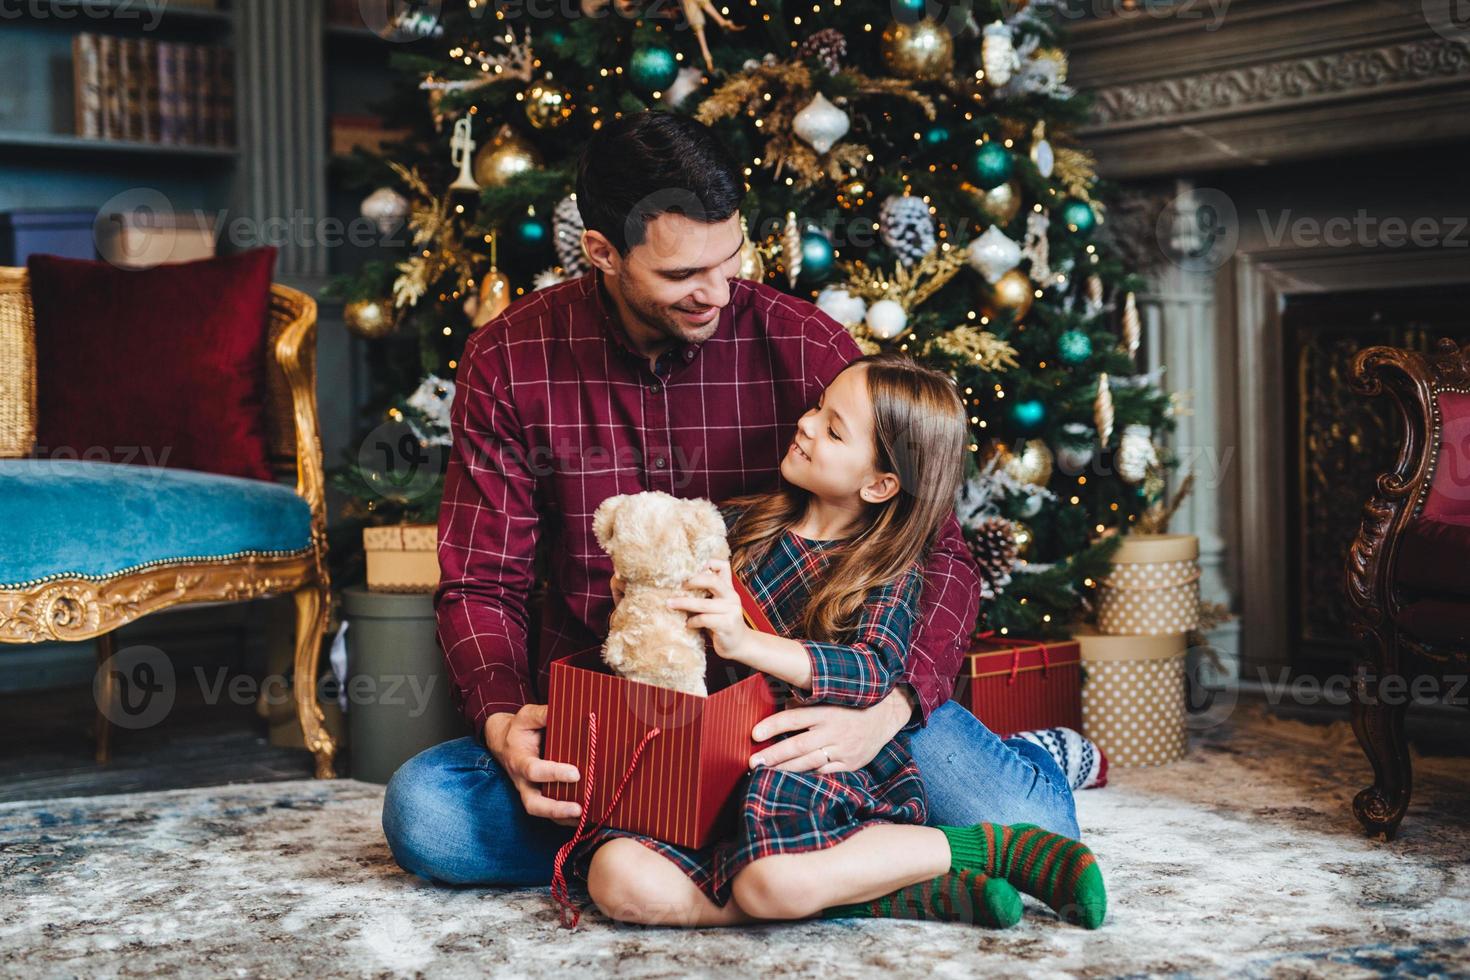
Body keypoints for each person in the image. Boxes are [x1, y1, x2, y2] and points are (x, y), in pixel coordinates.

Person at [381, 110, 1080, 891]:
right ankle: (802, 850)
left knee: (1038, 829)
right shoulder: (510, 359)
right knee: (430, 819)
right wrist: (505, 719)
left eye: (730, 258)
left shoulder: (809, 348)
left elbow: (941, 553)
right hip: (629, 707)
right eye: (681, 276)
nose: (715, 292)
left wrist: (886, 712)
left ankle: (748, 838)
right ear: (603, 253)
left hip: (816, 699)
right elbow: (482, 581)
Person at [567, 355, 1105, 929]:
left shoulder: (886, 571)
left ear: (879, 484)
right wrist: (647, 589)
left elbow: (873, 668)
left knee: (772, 881)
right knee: (616, 878)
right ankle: (891, 892)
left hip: (818, 778)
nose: (806, 423)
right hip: (721, 772)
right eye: (818, 409)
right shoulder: (740, 527)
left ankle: (987, 848)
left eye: (833, 428)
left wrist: (744, 642)